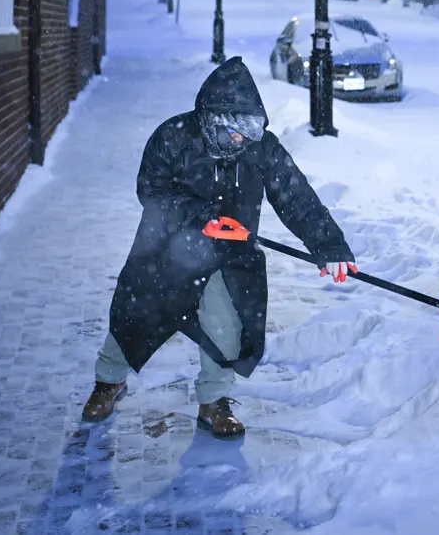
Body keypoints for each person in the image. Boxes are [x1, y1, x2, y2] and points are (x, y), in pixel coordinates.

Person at [81, 56, 356, 437]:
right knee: (134, 314)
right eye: (233, 131)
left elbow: (298, 197)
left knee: (226, 325)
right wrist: (199, 217)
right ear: (212, 121)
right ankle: (108, 381)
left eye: (248, 130)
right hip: (165, 248)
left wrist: (330, 247)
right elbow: (151, 190)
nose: (241, 139)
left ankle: (214, 401)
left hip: (230, 255)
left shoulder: (261, 148)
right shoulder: (173, 137)